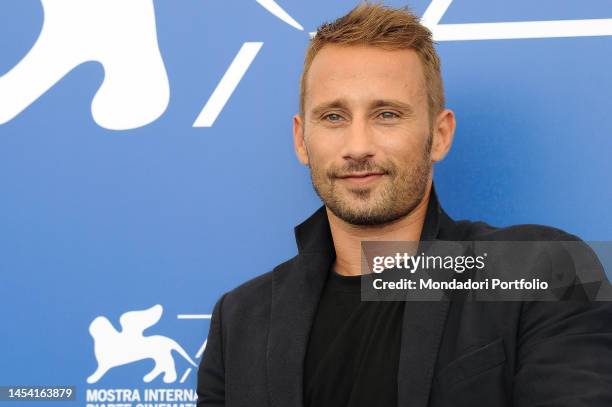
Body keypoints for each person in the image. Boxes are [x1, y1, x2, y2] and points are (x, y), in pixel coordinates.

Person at [196, 3, 612, 406]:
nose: (357, 147)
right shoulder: (241, 319)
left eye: (387, 115)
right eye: (334, 117)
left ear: (441, 134)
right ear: (302, 140)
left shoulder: (540, 273)